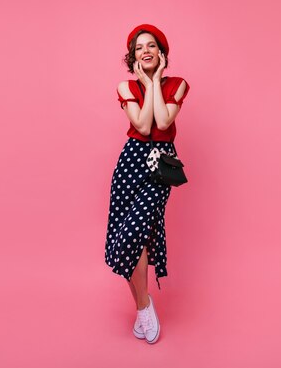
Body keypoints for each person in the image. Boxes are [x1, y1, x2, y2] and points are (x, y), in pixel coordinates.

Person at [104, 24, 190, 344]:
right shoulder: (126, 86)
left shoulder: (177, 85)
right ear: (133, 56)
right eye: (139, 48)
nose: (145, 51)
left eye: (151, 45)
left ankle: (142, 307)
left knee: (139, 230)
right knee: (128, 238)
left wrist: (154, 82)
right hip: (129, 165)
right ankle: (144, 305)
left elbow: (162, 124)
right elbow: (141, 124)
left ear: (161, 53)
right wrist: (145, 82)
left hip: (160, 165)